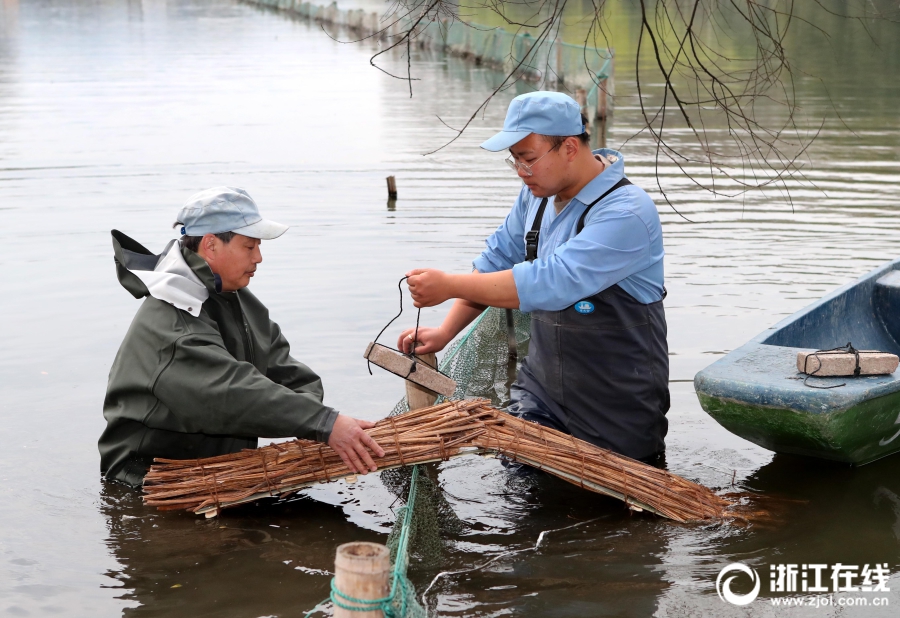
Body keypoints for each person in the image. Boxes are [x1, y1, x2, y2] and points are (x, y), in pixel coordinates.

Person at [397, 91, 669, 462]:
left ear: (570, 147)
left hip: (616, 403)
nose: (522, 172)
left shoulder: (627, 212)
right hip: (541, 394)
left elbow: (551, 282)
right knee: (524, 498)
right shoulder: (536, 197)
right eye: (515, 162)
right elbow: (495, 261)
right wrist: (445, 332)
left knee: (615, 510)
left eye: (528, 159)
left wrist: (448, 285)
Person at [99, 187, 384, 487]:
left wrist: (310, 425)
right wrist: (324, 423)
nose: (259, 257)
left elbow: (289, 373)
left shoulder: (237, 299)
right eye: (249, 247)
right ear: (211, 246)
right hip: (150, 480)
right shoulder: (173, 317)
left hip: (221, 471)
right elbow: (229, 391)